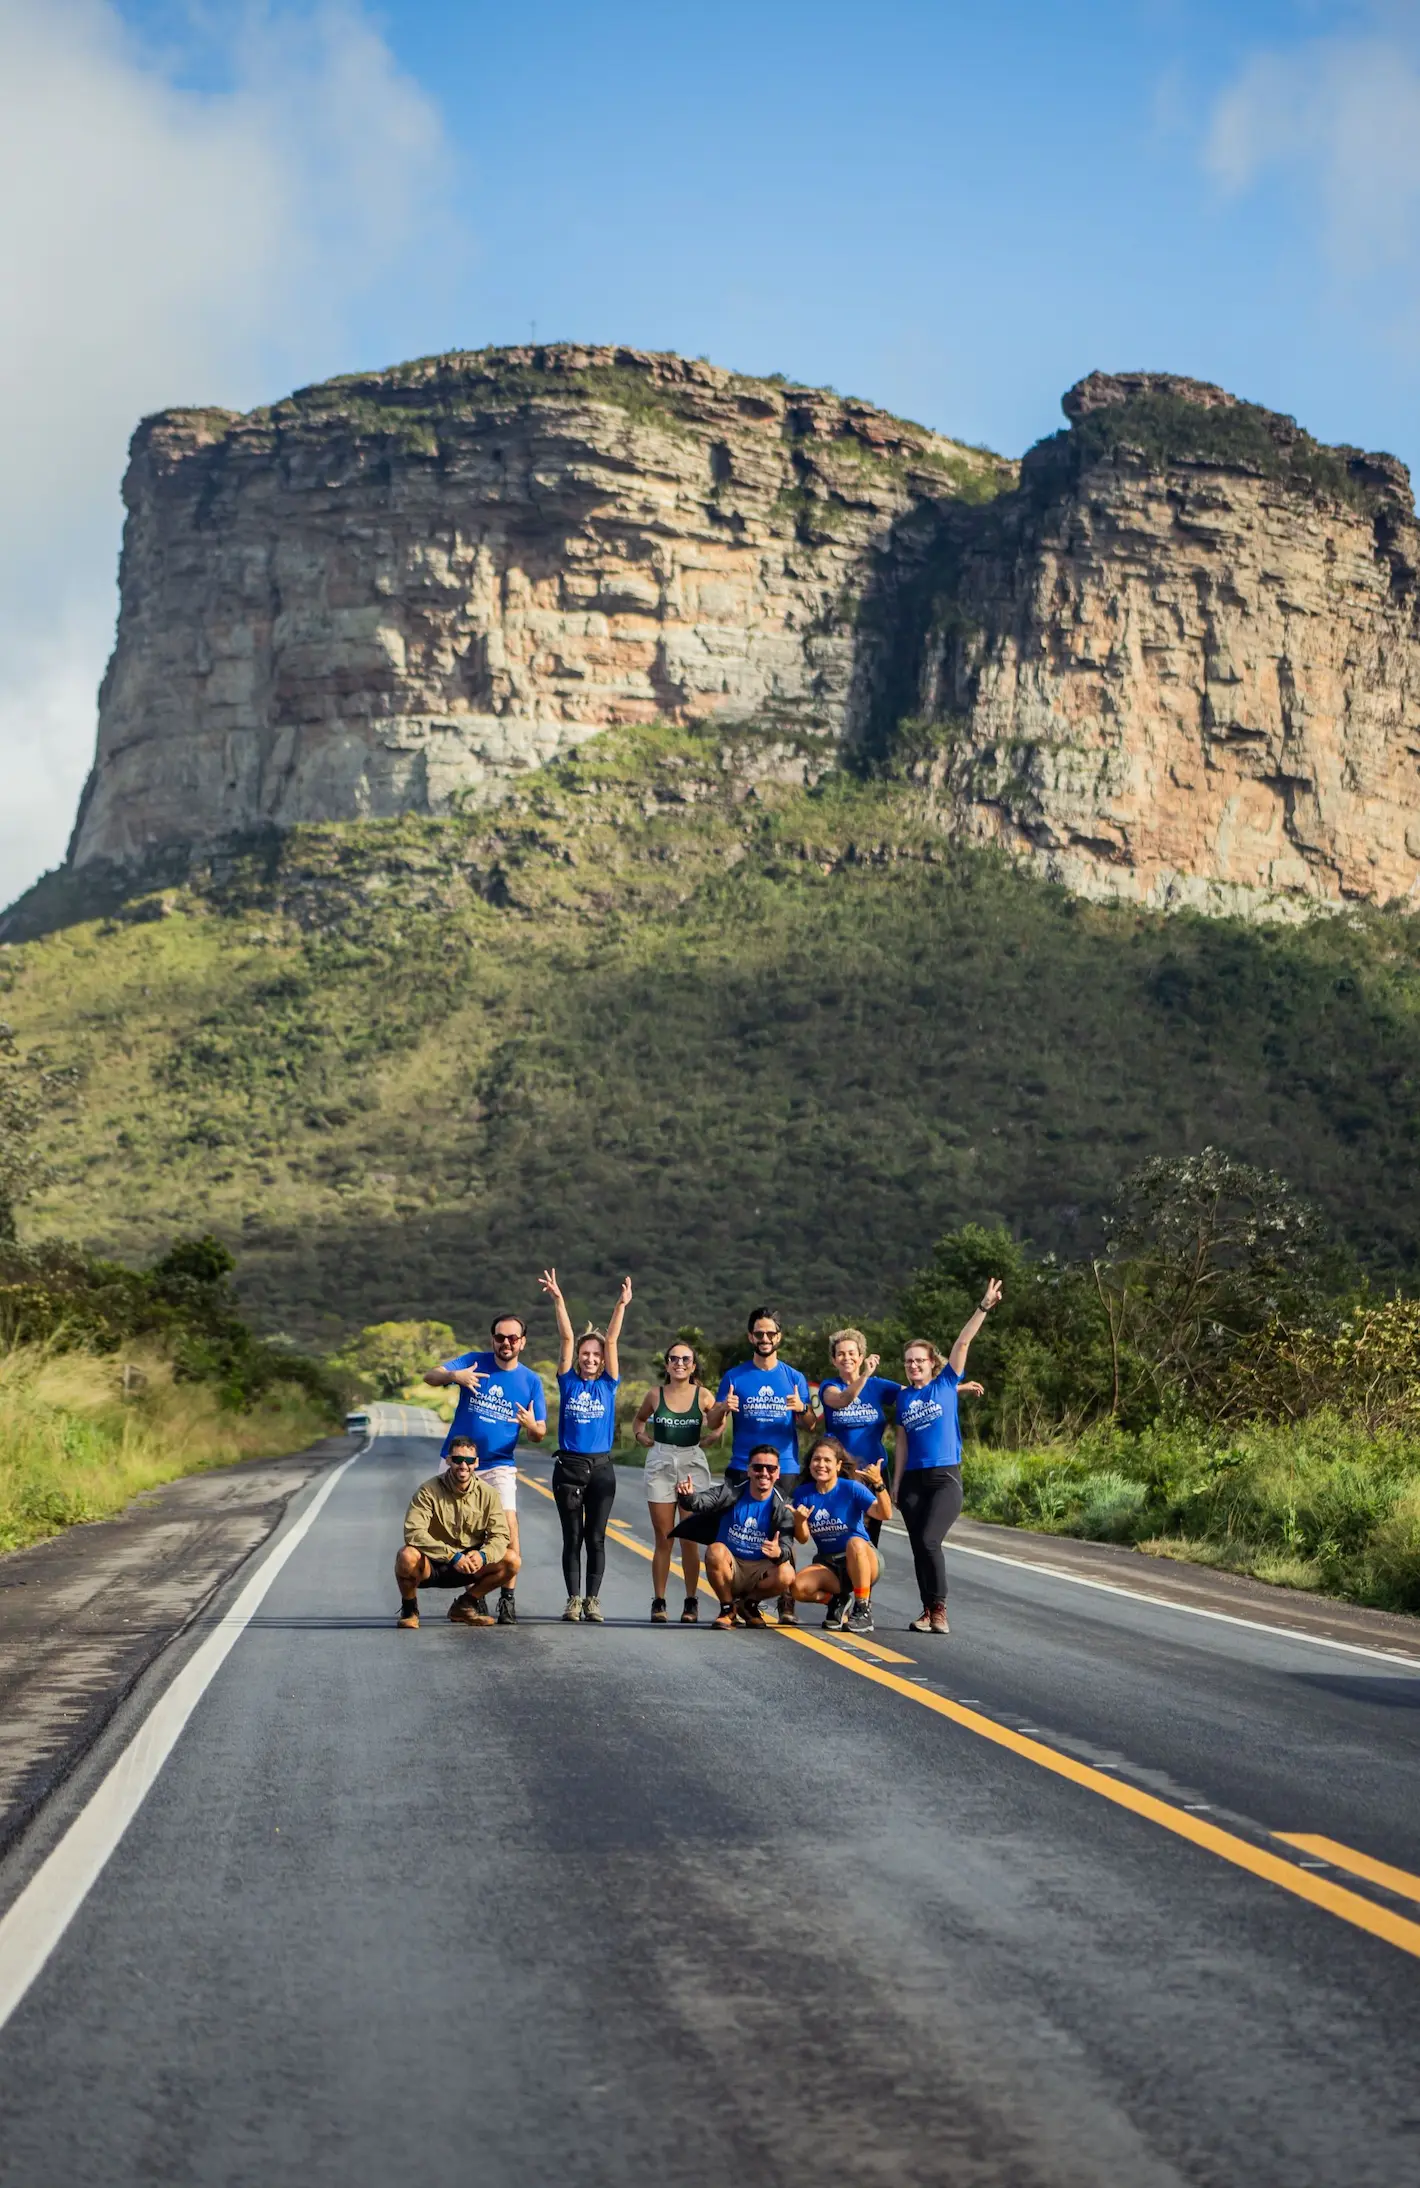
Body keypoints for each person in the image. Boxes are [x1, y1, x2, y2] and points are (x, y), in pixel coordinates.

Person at [892, 1278, 1002, 1634]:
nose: (913, 1366)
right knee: (918, 1548)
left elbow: (963, 1341)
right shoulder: (904, 1398)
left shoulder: (945, 1383)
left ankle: (939, 1611)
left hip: (944, 1478)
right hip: (911, 1481)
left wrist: (983, 1307)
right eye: (909, 1361)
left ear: (931, 1363)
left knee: (929, 1541)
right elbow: (903, 1442)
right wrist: (895, 1485)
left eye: (920, 1360)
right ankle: (926, 1610)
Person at [424, 1311, 547, 1624]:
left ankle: (507, 1598)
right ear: (492, 1339)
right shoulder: (473, 1361)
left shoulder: (531, 1381)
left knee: (507, 1527)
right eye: (500, 1337)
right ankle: (472, 1598)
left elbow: (539, 1433)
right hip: (458, 1461)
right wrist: (455, 1377)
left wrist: (532, 1426)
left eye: (513, 1338)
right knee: (461, 1530)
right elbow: (430, 1376)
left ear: (523, 1342)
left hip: (499, 1464)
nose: (506, 1343)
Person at [540, 1268, 631, 1625]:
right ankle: (572, 1600)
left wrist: (621, 1306)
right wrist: (559, 1300)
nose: (591, 1358)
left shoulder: (608, 1384)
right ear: (578, 1357)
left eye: (596, 1354)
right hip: (569, 1468)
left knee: (596, 1538)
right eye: (585, 1354)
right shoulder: (568, 1383)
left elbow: (612, 1340)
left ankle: (593, 1601)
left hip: (602, 1470)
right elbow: (565, 1337)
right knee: (572, 1538)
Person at [714, 1307, 812, 1624]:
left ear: (779, 1336)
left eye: (771, 1333)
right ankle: (733, 1600)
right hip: (742, 1466)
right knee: (735, 1533)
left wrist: (803, 1409)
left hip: (784, 1466)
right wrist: (721, 1408)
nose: (765, 1338)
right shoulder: (735, 1376)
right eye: (759, 1333)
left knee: (784, 1531)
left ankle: (785, 1603)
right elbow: (713, 1420)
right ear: (750, 1337)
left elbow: (811, 1424)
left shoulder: (793, 1378)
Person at [631, 1337, 721, 1625]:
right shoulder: (655, 1395)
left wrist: (711, 1438)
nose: (679, 1363)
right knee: (664, 1537)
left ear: (693, 1366)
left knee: (690, 1537)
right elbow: (639, 1421)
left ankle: (691, 1600)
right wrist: (640, 1435)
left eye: (685, 1359)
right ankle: (659, 1601)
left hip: (691, 1462)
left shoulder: (704, 1395)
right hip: (661, 1461)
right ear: (667, 1365)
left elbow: (718, 1421)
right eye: (674, 1359)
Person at [395, 1436, 519, 1628]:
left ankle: (465, 1605)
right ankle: (410, 1609)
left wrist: (483, 1556)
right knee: (406, 1556)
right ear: (448, 1461)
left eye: (469, 1460)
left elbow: (500, 1535)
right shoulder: (428, 1490)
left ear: (476, 1463)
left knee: (512, 1560)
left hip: (471, 1564)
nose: (463, 1465)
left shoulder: (488, 1494)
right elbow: (413, 1532)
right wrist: (452, 1556)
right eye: (458, 1459)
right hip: (434, 1563)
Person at [672, 1445, 797, 1630]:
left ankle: (748, 1604)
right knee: (715, 1551)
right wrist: (688, 1497)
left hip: (760, 1569)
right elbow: (702, 1501)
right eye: (757, 1468)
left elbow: (787, 1546)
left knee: (787, 1573)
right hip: (731, 1565)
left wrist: (779, 1552)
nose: (764, 1473)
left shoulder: (783, 1506)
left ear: (777, 1473)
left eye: (770, 1469)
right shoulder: (732, 1491)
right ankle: (727, 1608)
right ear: (749, 1470)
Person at [790, 1435, 891, 1635]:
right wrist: (800, 1521)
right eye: (816, 1459)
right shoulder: (803, 1494)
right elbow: (802, 1539)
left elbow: (884, 1513)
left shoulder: (851, 1488)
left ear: (838, 1465)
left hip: (863, 1559)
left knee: (854, 1543)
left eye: (827, 1460)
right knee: (797, 1587)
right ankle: (838, 1600)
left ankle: (862, 1609)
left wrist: (879, 1483)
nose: (821, 1464)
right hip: (830, 1566)